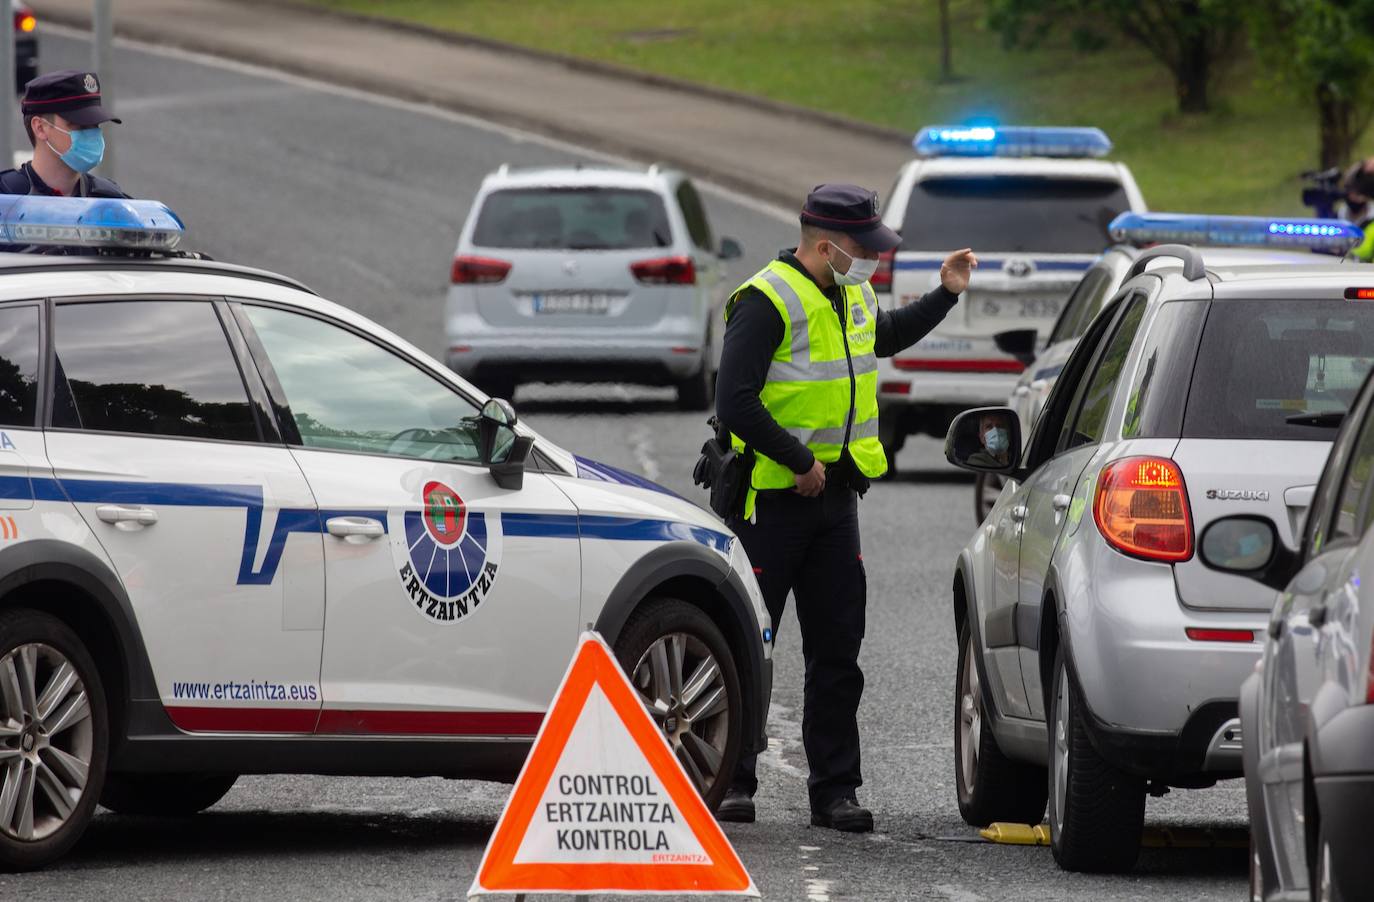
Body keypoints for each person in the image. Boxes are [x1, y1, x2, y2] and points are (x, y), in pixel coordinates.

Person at [714, 183, 976, 832]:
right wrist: (799, 461)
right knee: (750, 642)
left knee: (838, 652)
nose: (875, 261)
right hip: (769, 502)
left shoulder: (851, 292)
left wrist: (944, 294)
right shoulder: (766, 301)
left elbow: (881, 338)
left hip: (835, 502)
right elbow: (735, 401)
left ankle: (835, 790)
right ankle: (732, 781)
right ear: (826, 246)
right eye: (864, 249)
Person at [0, 69, 127, 198]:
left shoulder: (110, 201)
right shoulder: (6, 198)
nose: (91, 133)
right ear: (40, 128)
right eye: (80, 125)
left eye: (95, 124)